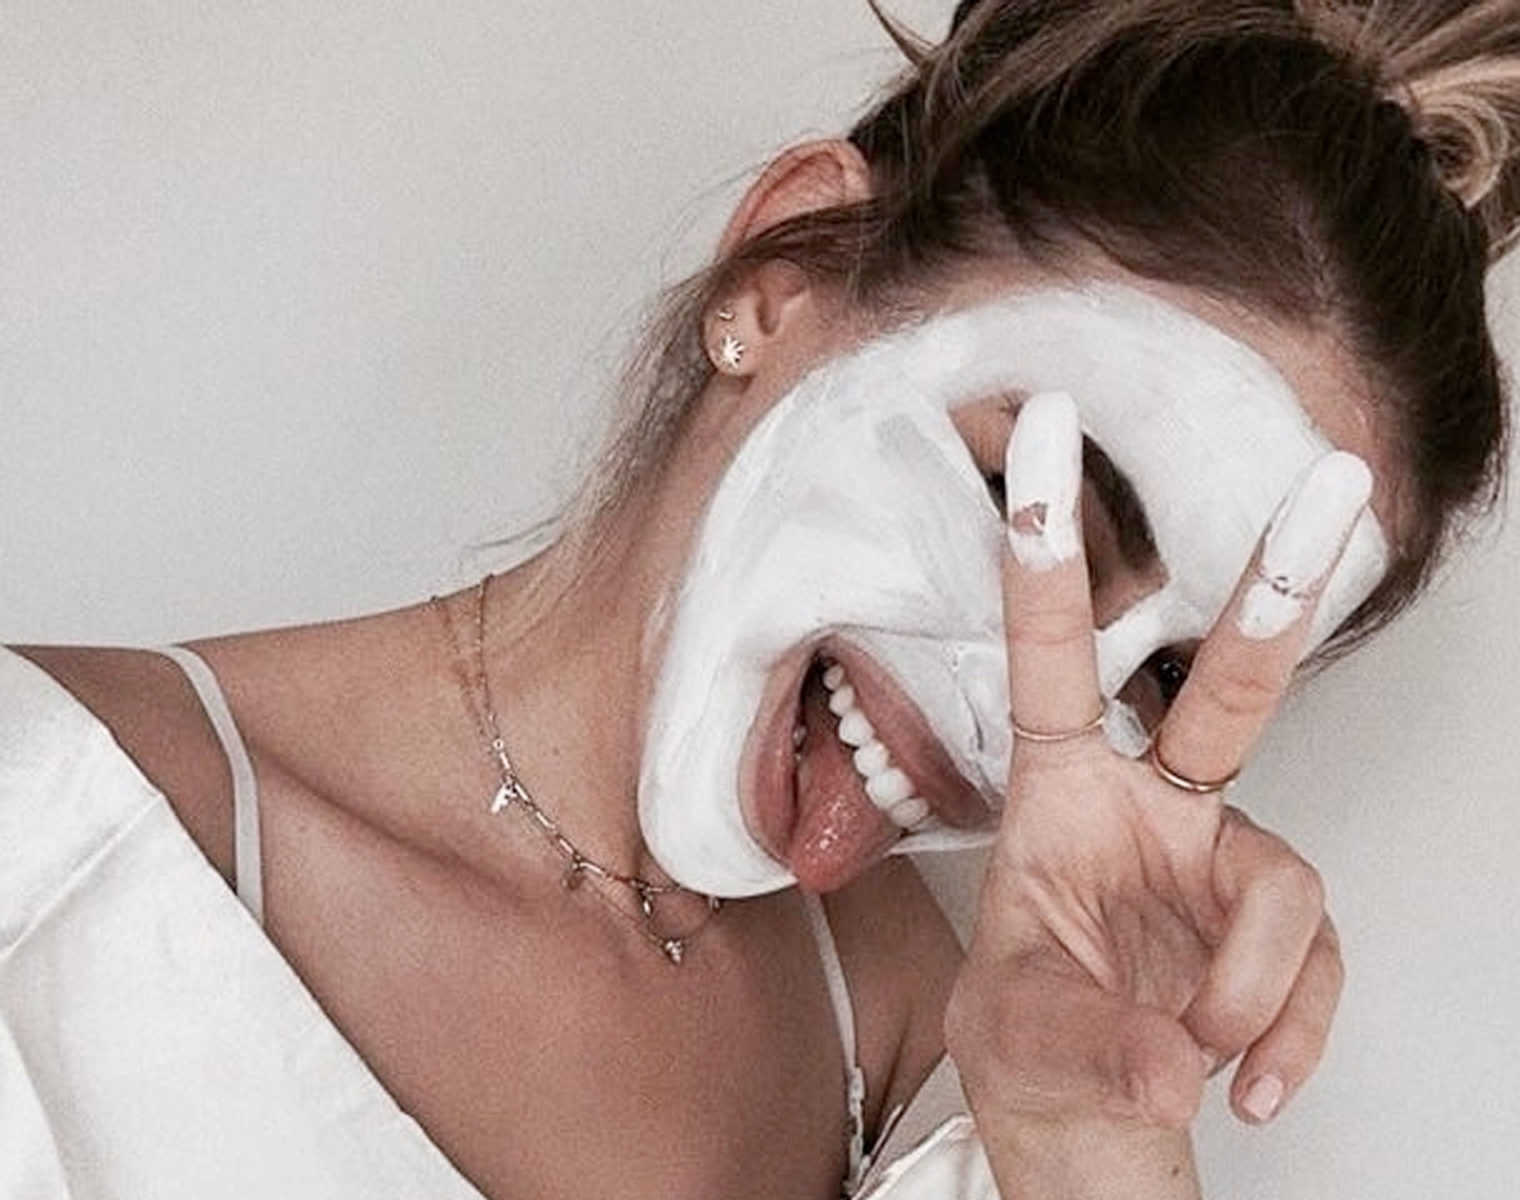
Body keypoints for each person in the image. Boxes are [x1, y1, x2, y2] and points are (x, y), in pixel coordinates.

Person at [3, 1, 1518, 1197]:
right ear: (782, 277)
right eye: (1029, 503)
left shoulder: (963, 1067)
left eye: (1156, 682)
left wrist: (1091, 1152)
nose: (1025, 712)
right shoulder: (50, 839)